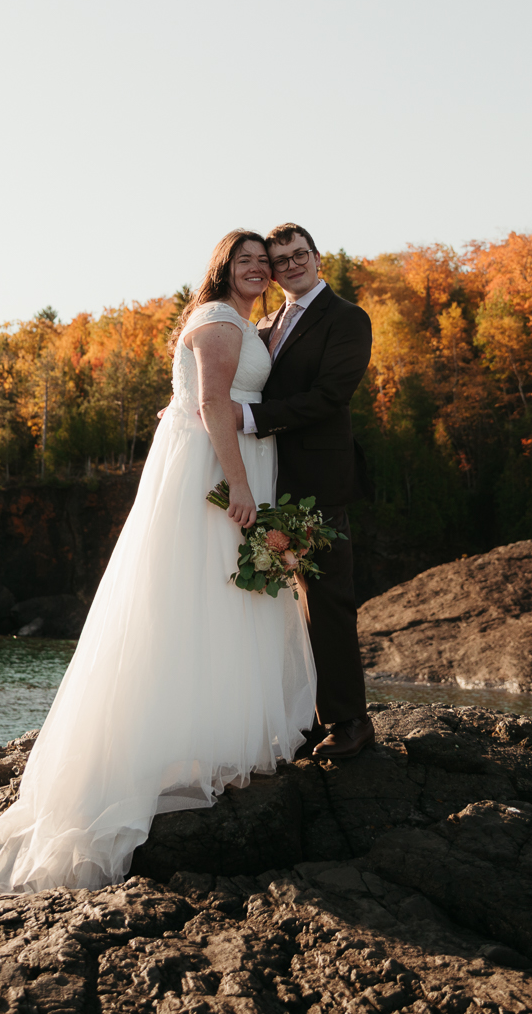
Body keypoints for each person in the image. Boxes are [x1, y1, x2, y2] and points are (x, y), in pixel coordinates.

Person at [0, 230, 316, 894]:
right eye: (246, 260)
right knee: (205, 592)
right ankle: (177, 747)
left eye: (264, 263)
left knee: (221, 595)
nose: (258, 269)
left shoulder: (242, 321)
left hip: (228, 460)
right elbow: (212, 403)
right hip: (216, 468)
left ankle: (214, 737)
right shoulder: (216, 319)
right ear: (223, 268)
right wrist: (240, 484)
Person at [238, 223, 375, 759]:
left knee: (328, 600)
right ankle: (304, 716)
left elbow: (329, 396)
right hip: (269, 477)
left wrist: (248, 418)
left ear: (318, 257)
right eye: (280, 260)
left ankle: (351, 722)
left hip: (319, 483)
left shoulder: (347, 319)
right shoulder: (266, 322)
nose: (290, 265)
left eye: (299, 255)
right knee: (281, 605)